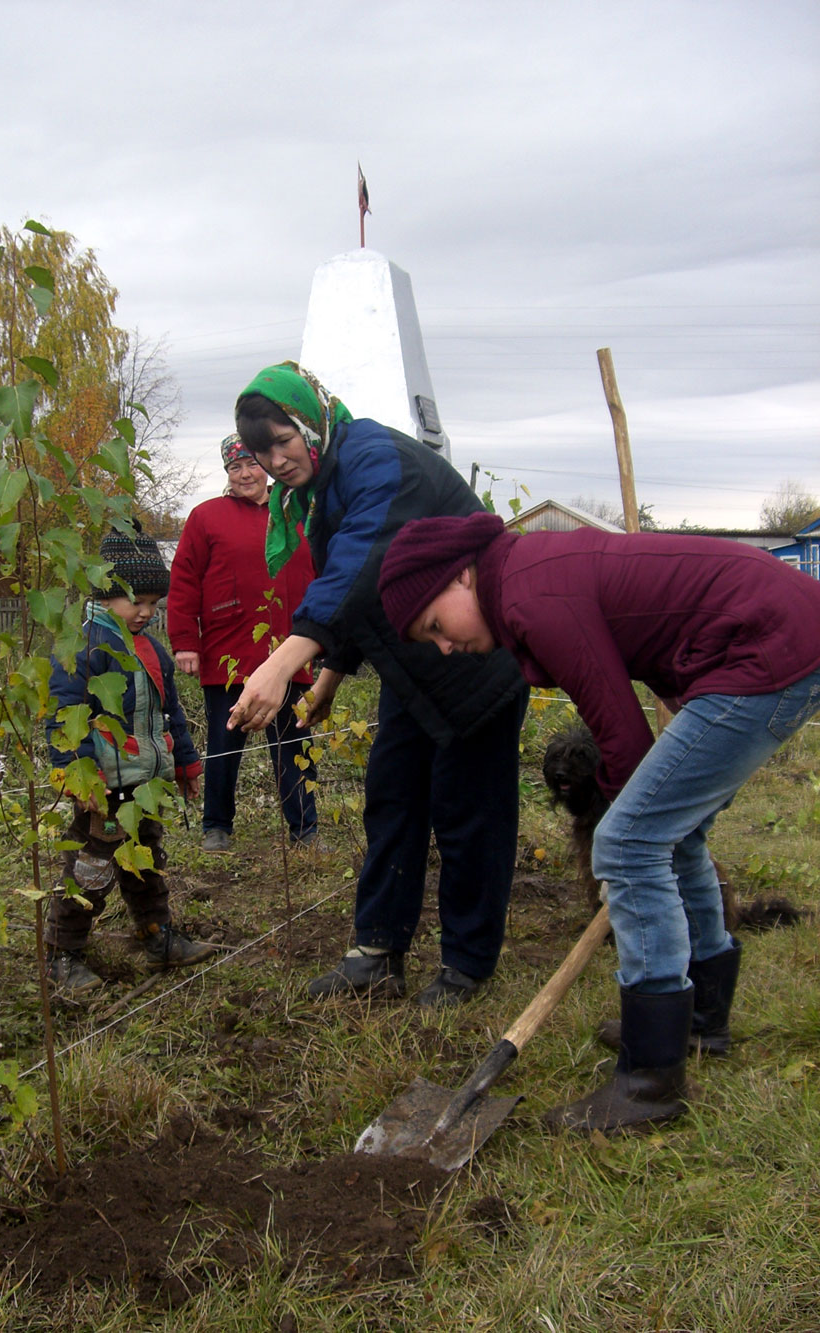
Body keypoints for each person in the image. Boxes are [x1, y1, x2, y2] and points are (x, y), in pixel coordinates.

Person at [377, 511, 820, 1126]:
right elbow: (649, 626)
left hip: (766, 646)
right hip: (766, 637)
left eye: (435, 626)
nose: (446, 646)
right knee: (672, 834)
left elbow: (622, 738)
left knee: (633, 841)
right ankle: (700, 1021)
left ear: (460, 578)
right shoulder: (525, 578)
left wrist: (620, 826)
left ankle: (649, 1082)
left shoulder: (533, 597)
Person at [226, 362, 528, 1008]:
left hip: (473, 663)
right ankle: (377, 951)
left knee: (468, 814)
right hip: (412, 670)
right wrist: (331, 676)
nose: (274, 461)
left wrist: (286, 662)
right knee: (391, 797)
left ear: (312, 421)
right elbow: (370, 590)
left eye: (282, 440)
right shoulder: (326, 482)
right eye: (259, 451)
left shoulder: (376, 458)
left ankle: (467, 965)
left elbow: (364, 559)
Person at [45, 522, 215, 993]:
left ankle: (156, 935)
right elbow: (64, 717)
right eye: (135, 602)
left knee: (146, 860)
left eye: (153, 605)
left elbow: (170, 712)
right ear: (103, 594)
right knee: (92, 868)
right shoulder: (82, 649)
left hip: (146, 783)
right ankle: (63, 953)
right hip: (103, 788)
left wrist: (185, 763)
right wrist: (79, 778)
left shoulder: (153, 651)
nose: (145, 612)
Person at [168, 433, 319, 852]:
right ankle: (216, 825)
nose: (246, 474)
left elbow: (318, 575)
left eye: (252, 464)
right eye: (236, 467)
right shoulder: (206, 517)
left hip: (289, 651)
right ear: (227, 473)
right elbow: (183, 580)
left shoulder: (296, 512)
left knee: (293, 741)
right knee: (224, 744)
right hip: (228, 650)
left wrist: (321, 636)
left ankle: (305, 827)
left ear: (267, 467)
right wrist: (185, 641)